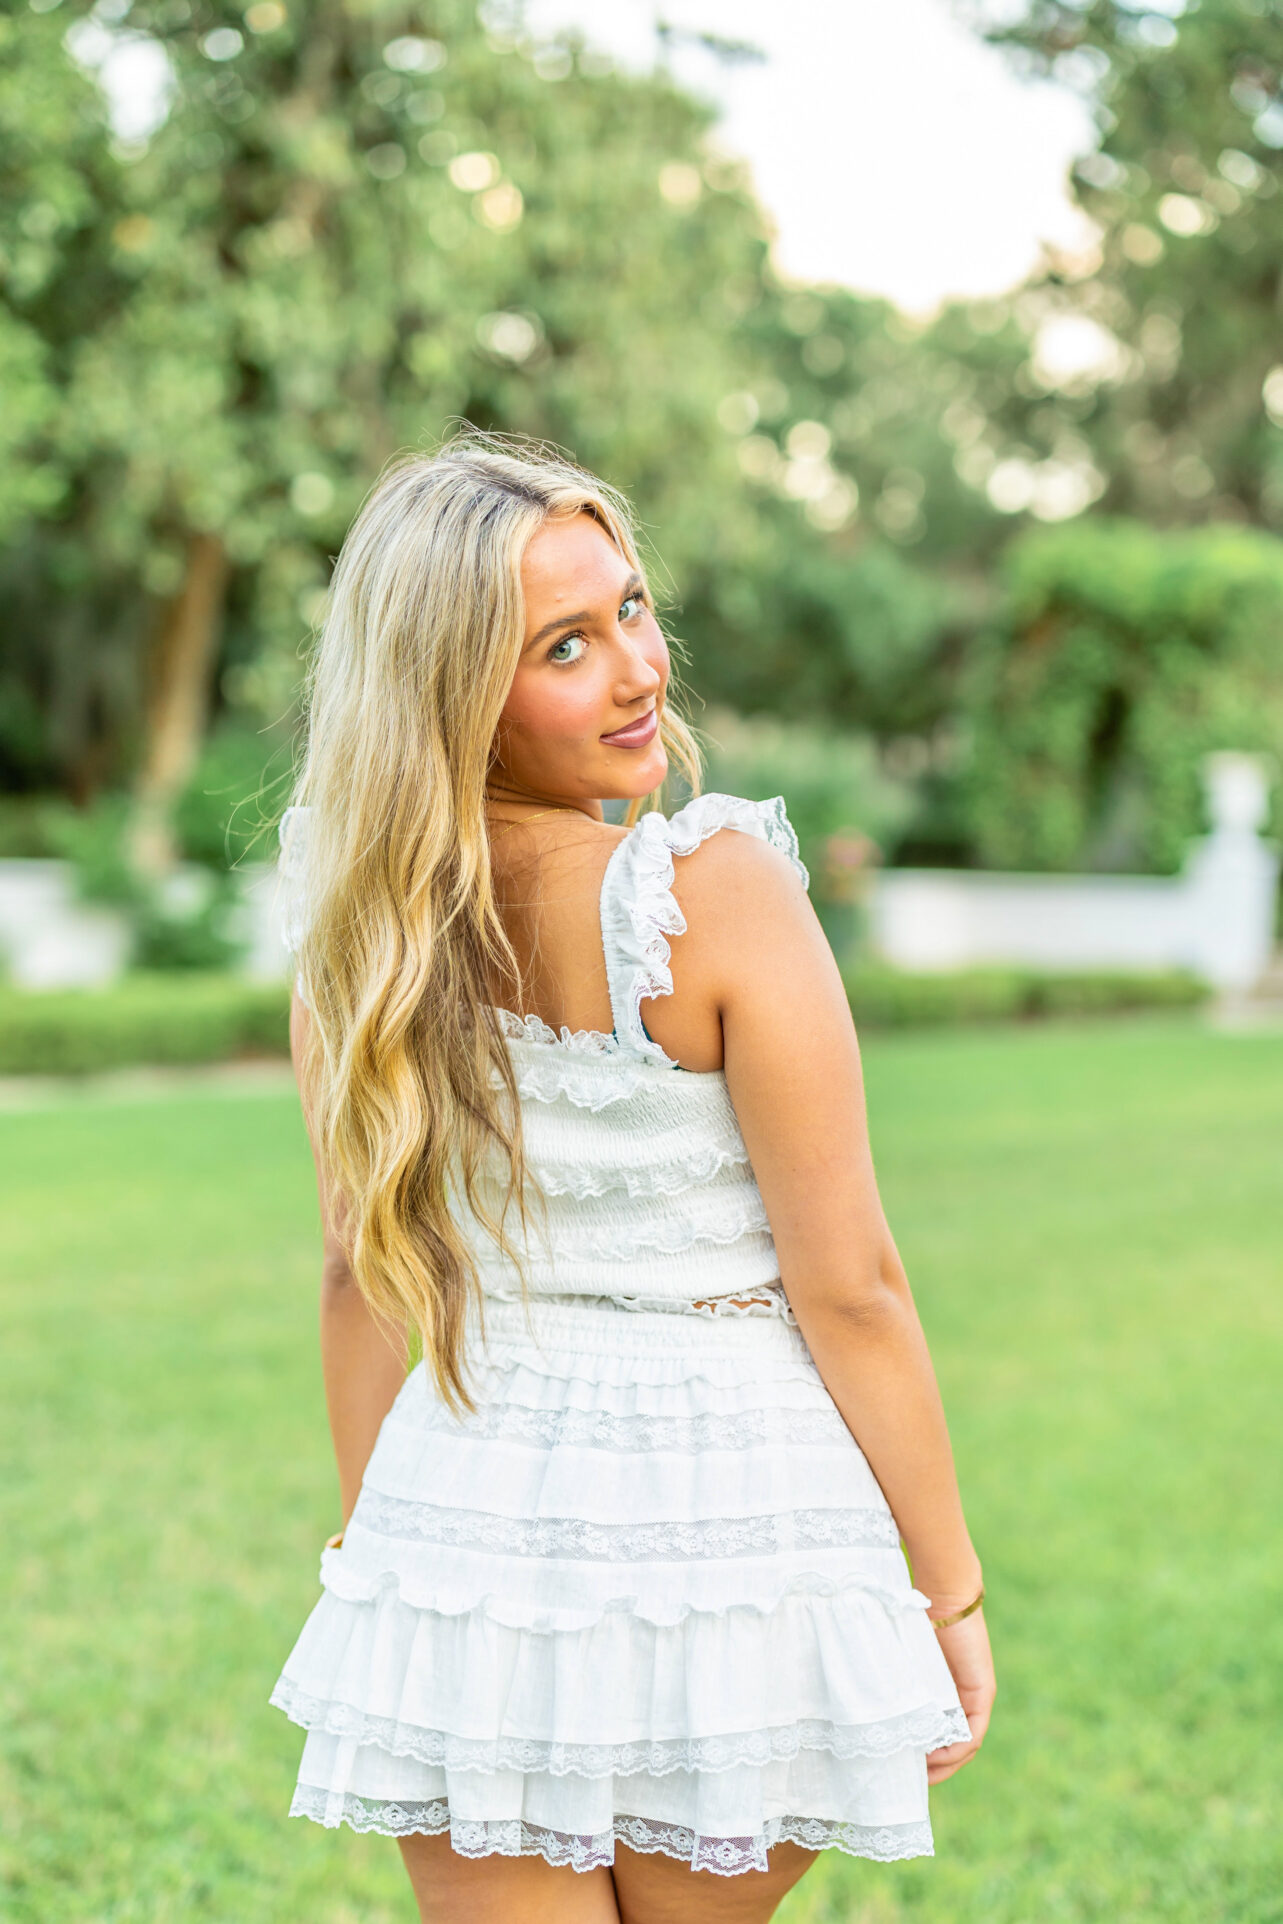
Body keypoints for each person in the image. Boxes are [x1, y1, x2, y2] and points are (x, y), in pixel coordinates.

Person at [269, 428, 995, 1924]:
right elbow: (849, 1284)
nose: (636, 669)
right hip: (740, 1524)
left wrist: (391, 1549)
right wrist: (951, 1589)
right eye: (564, 645)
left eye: (633, 609)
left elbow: (358, 1274)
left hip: (474, 1501)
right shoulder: (719, 893)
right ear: (454, 694)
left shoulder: (359, 933)